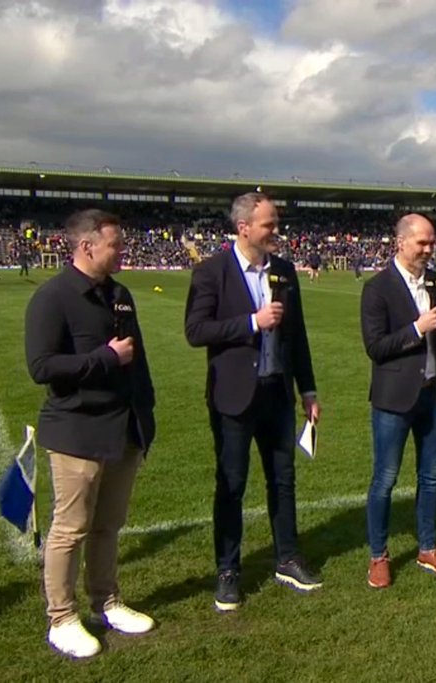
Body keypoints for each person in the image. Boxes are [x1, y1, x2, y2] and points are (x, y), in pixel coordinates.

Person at [24, 209, 157, 659]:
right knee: (71, 527)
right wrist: (103, 358)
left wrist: (147, 415)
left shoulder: (119, 295)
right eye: (116, 244)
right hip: (77, 430)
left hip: (123, 429)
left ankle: (107, 600)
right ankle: (61, 617)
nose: (123, 250)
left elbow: (137, 361)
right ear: (87, 246)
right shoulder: (53, 297)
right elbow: (41, 367)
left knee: (109, 525)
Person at [184, 192, 323, 611]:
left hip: (277, 393)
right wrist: (251, 322)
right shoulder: (211, 272)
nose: (275, 231)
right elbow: (196, 331)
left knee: (283, 480)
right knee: (232, 485)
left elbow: (296, 335)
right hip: (233, 398)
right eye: (268, 224)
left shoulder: (283, 272)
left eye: (276, 222)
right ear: (243, 227)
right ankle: (228, 570)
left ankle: (287, 557)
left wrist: (308, 389)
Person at [360, 214, 436, 589]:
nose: (428, 249)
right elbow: (375, 347)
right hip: (395, 397)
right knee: (385, 478)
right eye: (422, 243)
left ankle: (428, 547)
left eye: (432, 242)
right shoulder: (378, 288)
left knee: (432, 475)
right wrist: (415, 329)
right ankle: (378, 556)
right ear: (401, 242)